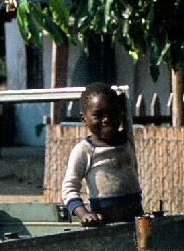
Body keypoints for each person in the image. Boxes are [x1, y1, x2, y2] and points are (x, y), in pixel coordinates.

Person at [60, 82, 144, 226]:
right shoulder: (84, 151)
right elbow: (69, 189)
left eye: (112, 113)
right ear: (84, 119)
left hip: (135, 221)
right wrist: (84, 214)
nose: (106, 120)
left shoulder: (126, 142)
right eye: (98, 115)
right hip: (103, 226)